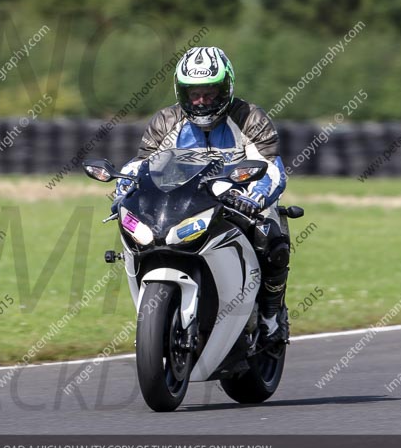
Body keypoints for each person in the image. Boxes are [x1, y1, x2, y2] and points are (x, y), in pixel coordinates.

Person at [114, 46, 290, 346]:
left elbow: (273, 168)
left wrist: (255, 199)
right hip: (183, 203)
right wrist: (122, 190)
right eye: (193, 93)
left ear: (227, 88)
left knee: (271, 235)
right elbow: (140, 164)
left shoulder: (250, 117)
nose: (201, 101)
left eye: (210, 92)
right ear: (180, 92)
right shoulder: (165, 121)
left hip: (238, 200)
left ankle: (270, 316)